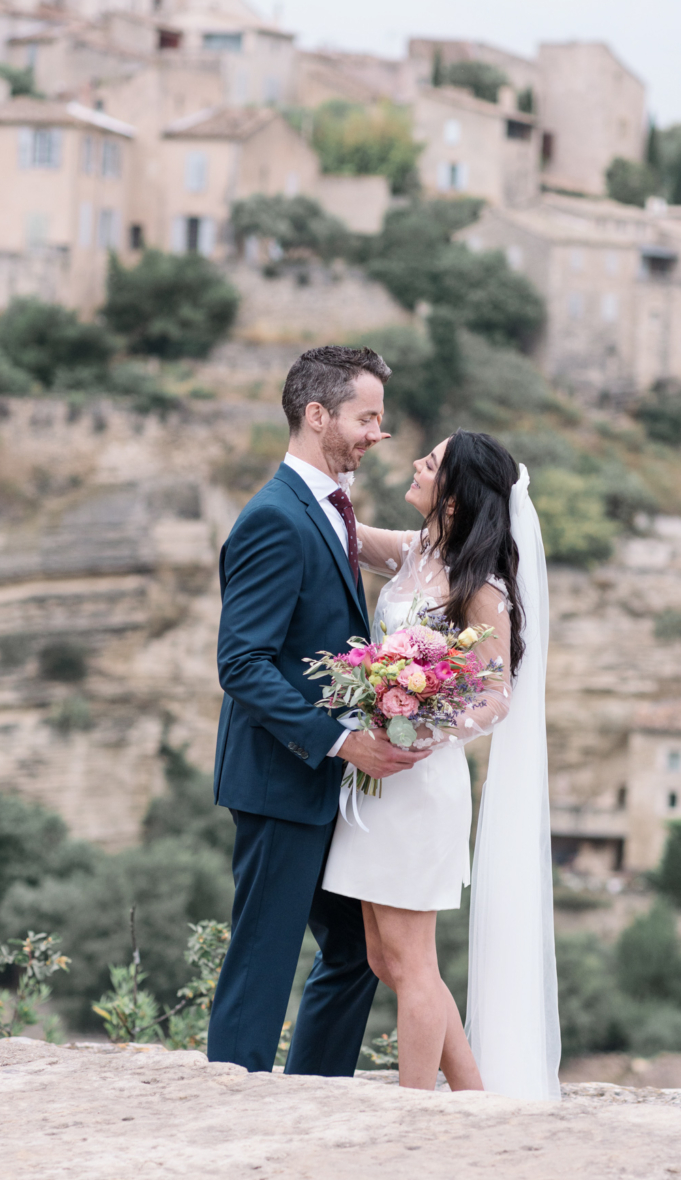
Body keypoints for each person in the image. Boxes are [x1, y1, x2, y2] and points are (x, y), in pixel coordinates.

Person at [207, 344, 432, 1075]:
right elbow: (240, 663)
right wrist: (339, 741)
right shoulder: (275, 516)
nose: (378, 433)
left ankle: (313, 1093)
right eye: (366, 417)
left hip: (326, 785)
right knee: (264, 953)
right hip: (282, 777)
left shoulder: (331, 510)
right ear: (315, 415)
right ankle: (229, 1097)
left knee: (357, 950)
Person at [322, 430, 560, 1097]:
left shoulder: (478, 584)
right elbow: (348, 531)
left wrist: (423, 727)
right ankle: (474, 1097)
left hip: (420, 780)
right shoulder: (417, 550)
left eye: (430, 464)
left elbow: (495, 697)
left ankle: (414, 1114)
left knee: (411, 961)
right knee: (383, 957)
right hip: (377, 778)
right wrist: (322, 474)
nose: (416, 465)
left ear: (455, 497)